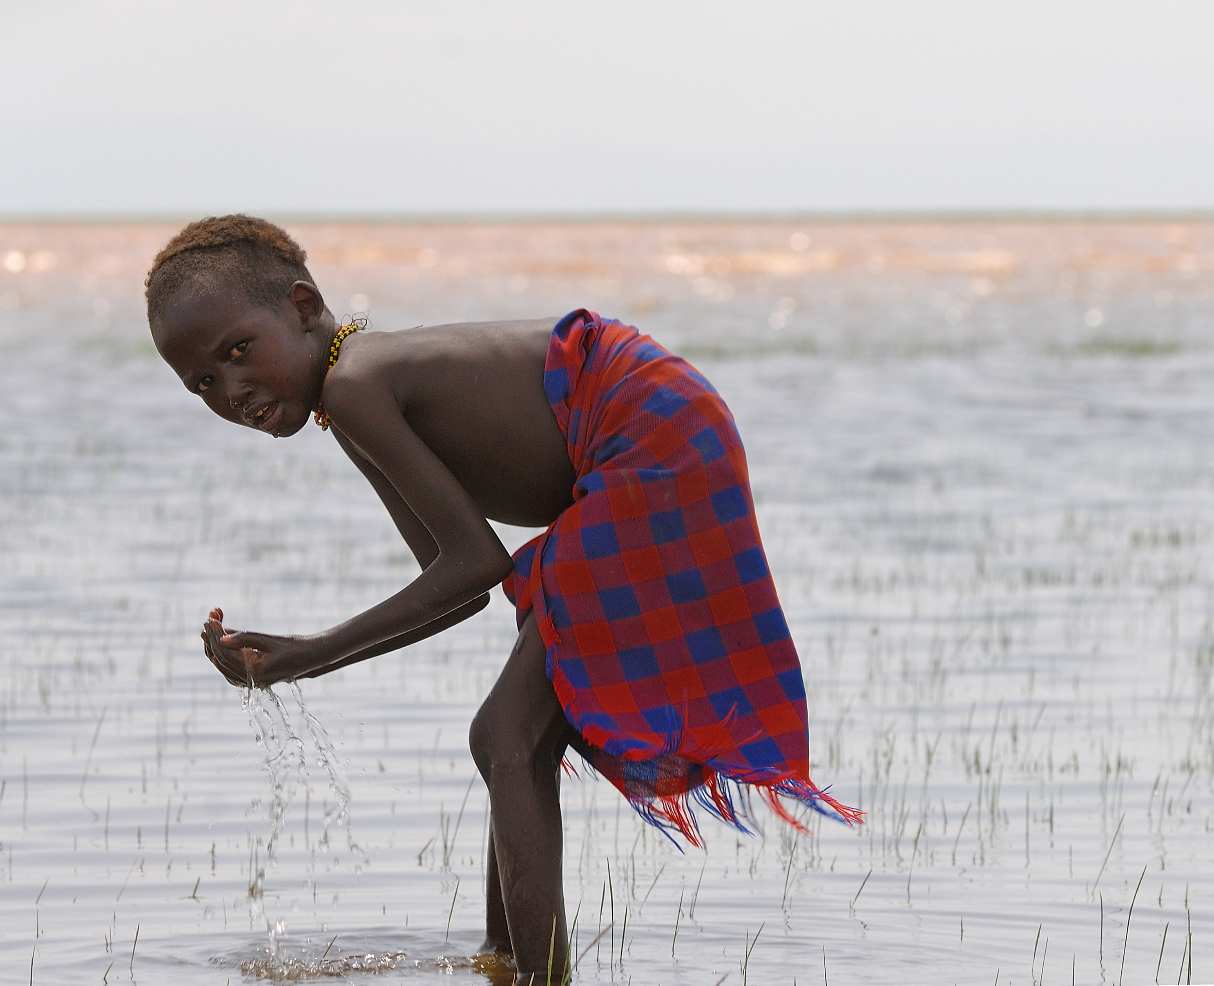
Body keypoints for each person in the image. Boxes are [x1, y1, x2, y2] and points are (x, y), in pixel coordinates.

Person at [146, 215, 859, 984]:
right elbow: (452, 588)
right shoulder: (350, 398)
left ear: (303, 306)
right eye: (202, 383)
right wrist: (305, 658)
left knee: (505, 738)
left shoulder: (355, 387)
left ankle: (535, 975)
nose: (231, 388)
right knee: (510, 739)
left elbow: (475, 564)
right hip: (662, 415)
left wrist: (311, 655)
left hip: (646, 431)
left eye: (238, 350)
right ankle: (505, 962)